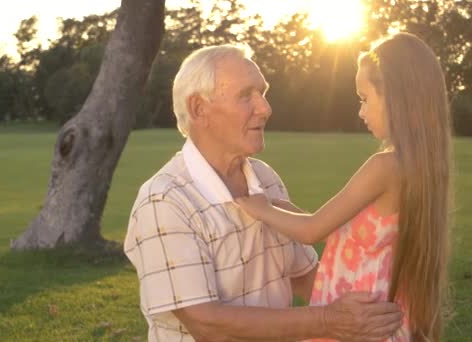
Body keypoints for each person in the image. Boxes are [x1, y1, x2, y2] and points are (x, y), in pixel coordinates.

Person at [124, 44, 402, 341]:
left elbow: (308, 277)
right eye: (246, 96)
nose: (265, 108)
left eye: (263, 93)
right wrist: (328, 320)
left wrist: (372, 311)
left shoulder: (264, 178)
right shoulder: (164, 201)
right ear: (199, 108)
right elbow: (207, 324)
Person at [236, 33, 452, 341]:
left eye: (365, 98)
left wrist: (262, 209)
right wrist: (281, 207)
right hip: (385, 317)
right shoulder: (422, 166)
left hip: (356, 322)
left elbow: (313, 230)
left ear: (395, 96)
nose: (361, 112)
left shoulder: (384, 166)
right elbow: (351, 234)